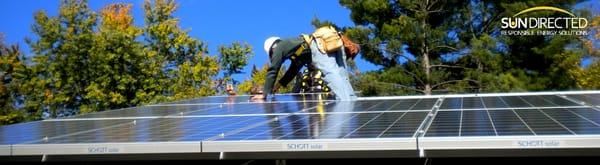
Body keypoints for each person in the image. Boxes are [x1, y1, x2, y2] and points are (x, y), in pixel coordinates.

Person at [253, 29, 357, 101]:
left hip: (319, 46)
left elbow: (273, 69)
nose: (274, 56)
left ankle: (346, 102)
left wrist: (265, 94)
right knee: (341, 75)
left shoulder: (280, 47)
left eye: (272, 54)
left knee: (331, 75)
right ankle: (351, 101)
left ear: (272, 48)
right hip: (334, 41)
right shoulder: (296, 50)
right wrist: (277, 86)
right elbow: (293, 70)